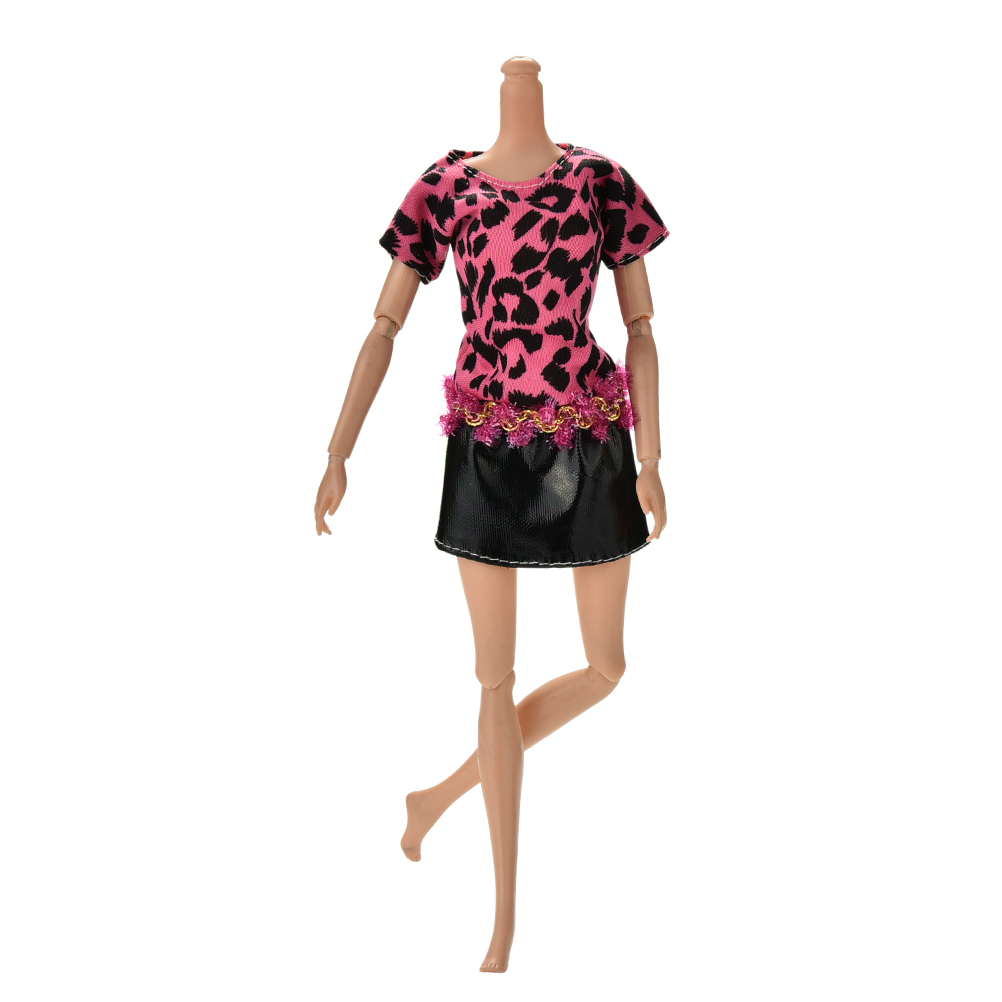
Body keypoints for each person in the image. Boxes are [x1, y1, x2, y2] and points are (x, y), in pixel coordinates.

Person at [314, 56, 669, 973]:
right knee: (493, 681)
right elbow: (384, 326)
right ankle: (503, 919)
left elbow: (641, 328)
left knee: (607, 666)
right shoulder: (445, 186)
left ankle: (434, 799)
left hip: (593, 434)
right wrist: (338, 450)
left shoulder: (600, 179)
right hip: (486, 440)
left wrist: (654, 459)